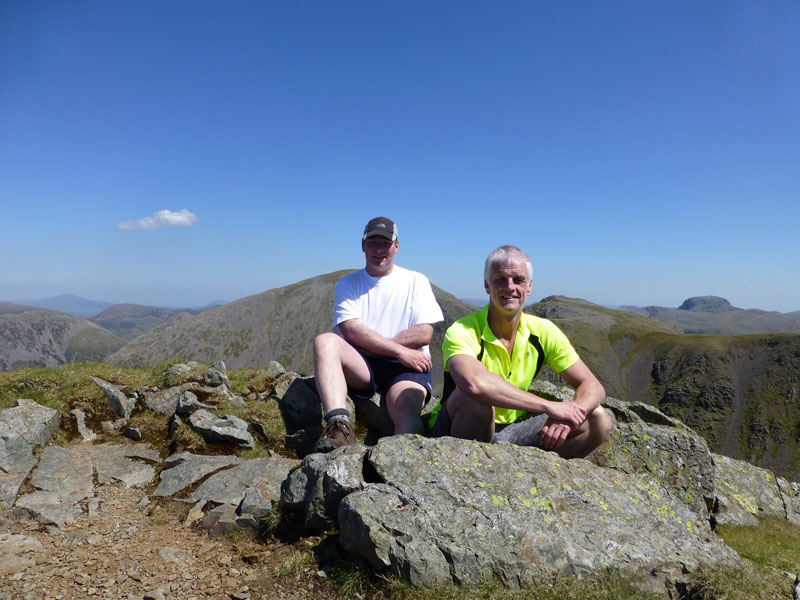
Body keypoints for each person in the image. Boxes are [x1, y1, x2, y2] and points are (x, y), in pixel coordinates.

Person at [430, 245, 611, 458]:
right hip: (455, 429)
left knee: (597, 419)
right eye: (500, 279)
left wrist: (571, 413)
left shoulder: (543, 331)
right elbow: (473, 383)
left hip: (512, 430)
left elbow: (593, 386)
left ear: (529, 287)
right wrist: (549, 407)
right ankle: (465, 474)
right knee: (476, 401)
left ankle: (537, 478)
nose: (510, 287)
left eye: (518, 279)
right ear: (487, 285)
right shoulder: (463, 330)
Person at [313, 217, 444, 453]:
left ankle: (403, 464)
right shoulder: (348, 284)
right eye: (372, 242)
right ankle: (338, 425)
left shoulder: (416, 281)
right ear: (363, 245)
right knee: (325, 341)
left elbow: (424, 333)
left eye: (385, 243)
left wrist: (373, 346)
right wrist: (397, 350)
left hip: (404, 364)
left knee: (405, 406)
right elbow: (350, 330)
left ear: (396, 246)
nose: (378, 250)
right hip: (369, 363)